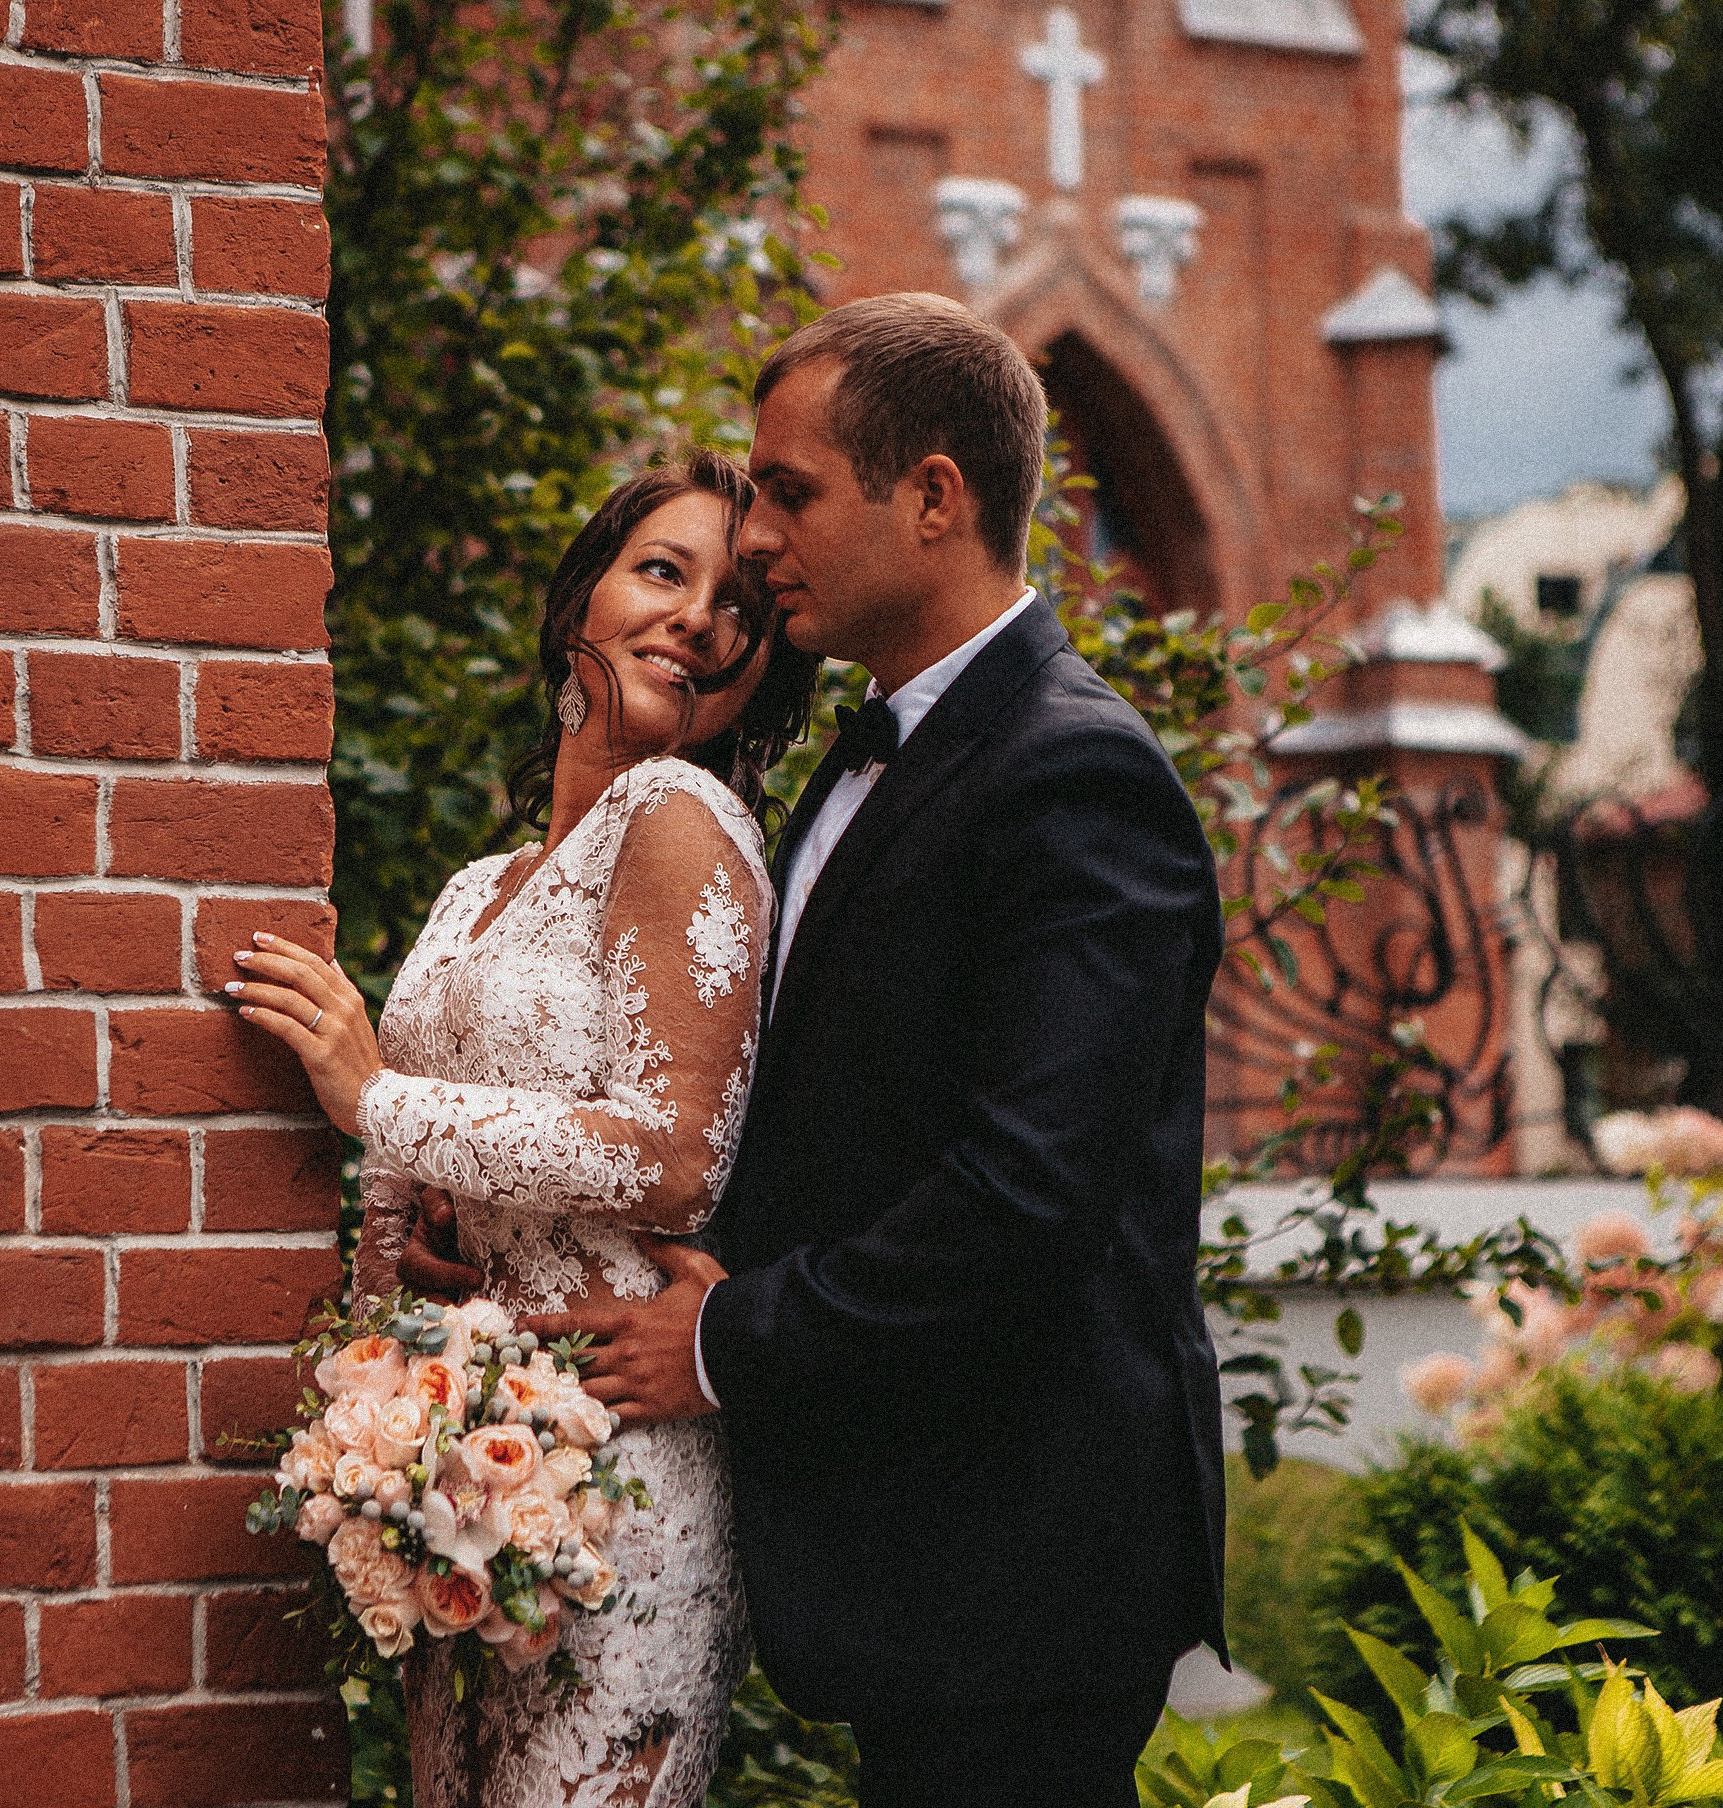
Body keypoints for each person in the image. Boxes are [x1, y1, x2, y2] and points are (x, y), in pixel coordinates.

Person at [523, 294, 1230, 1807]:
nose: (756, 537)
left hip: (1022, 1557)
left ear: (933, 497)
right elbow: (819, 1114)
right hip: (908, 1545)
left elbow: (1024, 1197)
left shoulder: (1077, 775)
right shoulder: (867, 756)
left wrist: (724, 1340)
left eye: (790, 492)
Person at [229, 448, 818, 1808]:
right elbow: (408, 1187)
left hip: (620, 1467)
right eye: (661, 571)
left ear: (760, 673)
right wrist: (375, 1397)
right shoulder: (477, 887)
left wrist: (378, 1096)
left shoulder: (682, 814)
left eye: (739, 607)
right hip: (451, 1463)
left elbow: (673, 1160)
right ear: (577, 607)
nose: (696, 618)